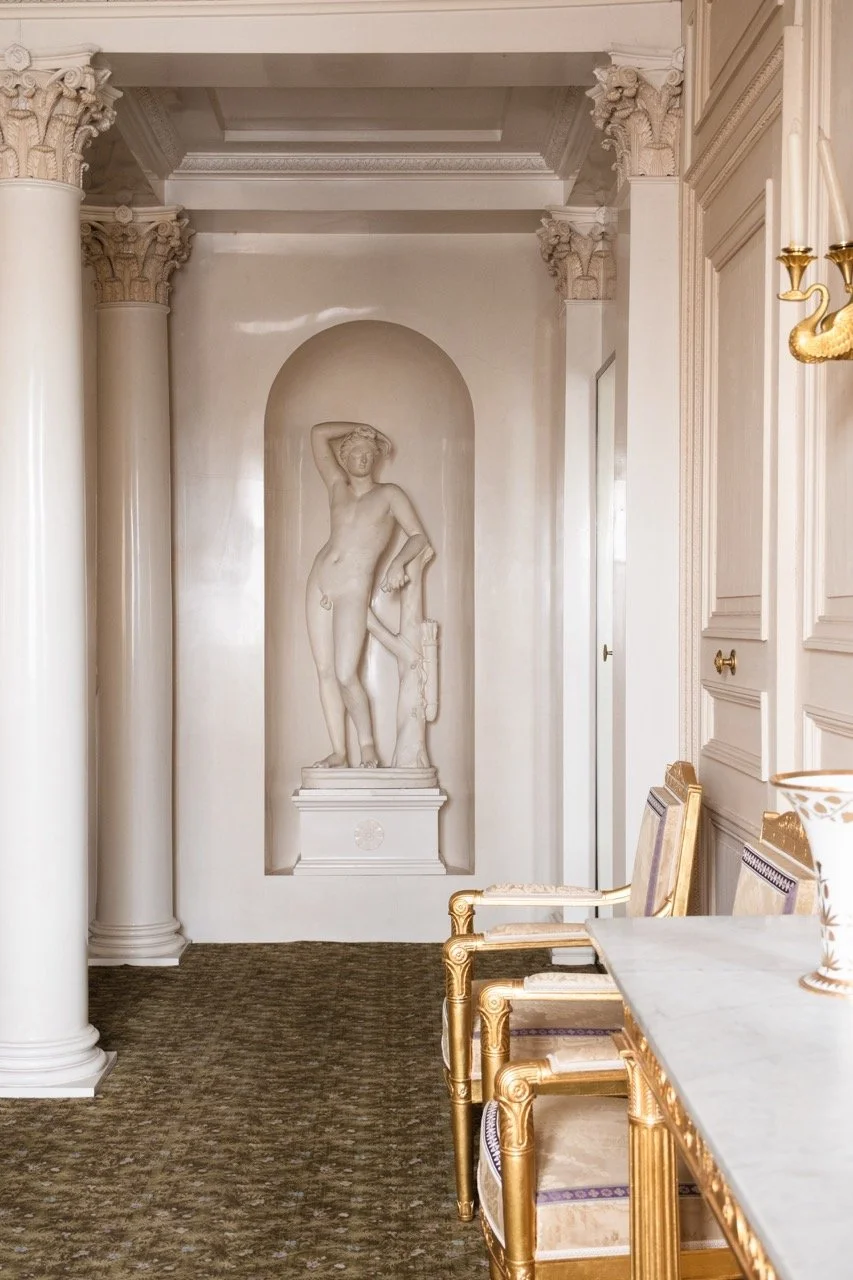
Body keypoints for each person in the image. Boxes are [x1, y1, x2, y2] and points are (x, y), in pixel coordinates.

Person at [306, 421, 431, 768]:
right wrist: (361, 428)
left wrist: (397, 564)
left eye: (368, 452)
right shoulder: (337, 487)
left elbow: (418, 537)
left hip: (352, 589)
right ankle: (339, 751)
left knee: (346, 674)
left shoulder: (389, 494)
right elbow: (318, 435)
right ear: (344, 458)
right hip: (319, 579)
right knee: (325, 671)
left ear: (376, 458)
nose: (362, 458)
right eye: (355, 452)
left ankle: (367, 746)